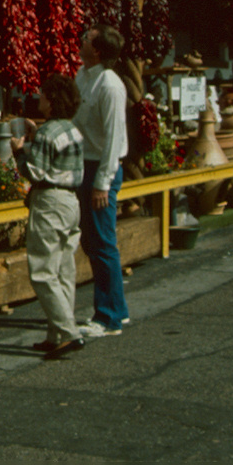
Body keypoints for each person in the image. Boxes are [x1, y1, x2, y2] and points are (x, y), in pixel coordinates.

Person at [12, 73, 86, 360]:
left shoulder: (46, 134)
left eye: (42, 94)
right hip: (71, 202)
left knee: (43, 271)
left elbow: (36, 171)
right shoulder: (72, 130)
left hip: (50, 201)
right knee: (64, 269)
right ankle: (56, 333)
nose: (39, 98)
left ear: (52, 101)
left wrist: (20, 152)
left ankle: (68, 333)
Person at [75, 24, 129, 337]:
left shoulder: (109, 85)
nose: (81, 39)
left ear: (98, 50)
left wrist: (103, 183)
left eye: (87, 39)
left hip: (101, 168)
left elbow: (114, 139)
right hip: (84, 165)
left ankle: (107, 317)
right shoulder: (83, 76)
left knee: (103, 241)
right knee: (92, 241)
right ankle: (116, 310)